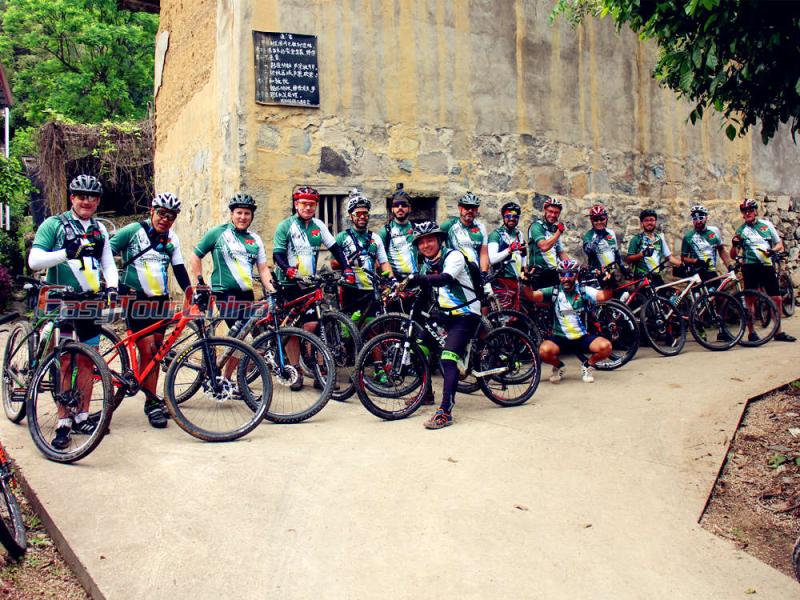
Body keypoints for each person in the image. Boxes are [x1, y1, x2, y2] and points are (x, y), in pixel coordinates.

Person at [28, 174, 119, 450]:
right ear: (72, 198)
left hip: (89, 303)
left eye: (91, 197)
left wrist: (112, 287)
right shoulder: (54, 225)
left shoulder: (99, 230)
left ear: (98, 201)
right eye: (81, 196)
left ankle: (81, 415)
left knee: (88, 363)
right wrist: (65, 253)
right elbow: (34, 261)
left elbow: (108, 263)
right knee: (66, 361)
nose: (86, 201)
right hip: (60, 301)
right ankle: (63, 421)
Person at [110, 193, 192, 428]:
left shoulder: (171, 239)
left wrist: (191, 294)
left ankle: (149, 395)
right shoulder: (133, 231)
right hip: (134, 297)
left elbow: (179, 269)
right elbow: (105, 252)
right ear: (152, 211)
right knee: (147, 347)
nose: (165, 219)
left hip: (160, 300)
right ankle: (151, 401)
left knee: (156, 352)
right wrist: (112, 283)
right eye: (161, 214)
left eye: (171, 216)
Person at [272, 186, 356, 388]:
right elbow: (278, 253)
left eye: (312, 204)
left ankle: (320, 370)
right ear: (296, 205)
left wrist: (347, 268)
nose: (308, 207)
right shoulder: (286, 226)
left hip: (309, 282)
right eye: (304, 204)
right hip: (288, 283)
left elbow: (335, 248)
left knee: (315, 325)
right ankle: (296, 371)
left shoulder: (318, 225)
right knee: (291, 329)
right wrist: (288, 269)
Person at [404, 222, 482, 430]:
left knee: (448, 358)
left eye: (430, 240)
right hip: (445, 314)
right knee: (418, 348)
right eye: (421, 242)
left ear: (439, 240)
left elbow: (443, 279)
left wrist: (416, 278)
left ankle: (445, 411)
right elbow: (424, 290)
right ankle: (426, 393)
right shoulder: (426, 264)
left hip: (466, 313)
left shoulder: (453, 256)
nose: (426, 245)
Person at [190, 193, 276, 330]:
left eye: (247, 213)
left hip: (246, 293)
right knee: (240, 333)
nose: (243, 217)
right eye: (239, 213)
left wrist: (272, 291)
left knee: (253, 334)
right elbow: (196, 256)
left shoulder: (255, 239)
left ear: (252, 216)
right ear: (232, 214)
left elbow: (263, 269)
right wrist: (200, 283)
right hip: (224, 293)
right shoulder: (218, 233)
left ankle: (234, 350)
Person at [527, 258, 613, 384]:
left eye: (570, 274)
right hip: (560, 337)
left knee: (606, 347)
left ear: (576, 275)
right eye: (562, 274)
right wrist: (526, 283)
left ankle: (587, 365)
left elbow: (604, 296)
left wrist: (608, 284)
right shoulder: (554, 291)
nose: (565, 278)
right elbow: (532, 296)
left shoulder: (583, 290)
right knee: (543, 351)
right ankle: (559, 366)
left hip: (582, 337)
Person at [731, 198, 795, 342]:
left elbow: (780, 244)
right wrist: (734, 245)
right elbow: (733, 255)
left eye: (750, 210)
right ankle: (751, 332)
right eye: (744, 211)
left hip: (766, 266)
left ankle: (778, 332)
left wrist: (772, 251)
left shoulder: (767, 225)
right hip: (749, 267)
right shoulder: (741, 230)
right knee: (750, 300)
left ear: (755, 211)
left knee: (777, 299)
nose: (747, 213)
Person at [333, 190, 392, 319]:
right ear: (350, 216)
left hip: (370, 288)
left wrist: (392, 280)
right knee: (350, 327)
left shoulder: (375, 238)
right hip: (350, 288)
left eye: (365, 213)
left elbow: (384, 262)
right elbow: (333, 264)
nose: (362, 216)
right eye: (358, 213)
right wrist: (348, 260)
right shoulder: (342, 237)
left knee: (371, 325)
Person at [440, 192, 491, 283]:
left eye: (473, 208)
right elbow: (437, 247)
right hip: (455, 273)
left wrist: (484, 273)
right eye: (467, 207)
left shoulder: (481, 227)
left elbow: (483, 253)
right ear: (460, 208)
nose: (470, 210)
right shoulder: (448, 225)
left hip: (475, 273)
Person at [626, 208, 681, 286]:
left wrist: (682, 264)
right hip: (642, 278)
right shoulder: (636, 239)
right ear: (642, 223)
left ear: (655, 222)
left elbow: (669, 257)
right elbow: (628, 259)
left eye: (652, 220)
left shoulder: (659, 239)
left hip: (656, 277)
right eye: (646, 220)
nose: (649, 222)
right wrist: (642, 254)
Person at [488, 201, 528, 306]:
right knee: (505, 316)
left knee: (516, 315)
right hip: (501, 280)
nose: (512, 218)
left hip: (516, 280)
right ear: (503, 217)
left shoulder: (519, 234)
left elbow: (523, 252)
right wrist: (509, 250)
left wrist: (524, 267)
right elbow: (492, 259)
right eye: (508, 216)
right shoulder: (496, 235)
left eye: (515, 216)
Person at [680, 204, 732, 280]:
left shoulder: (714, 231)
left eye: (701, 218)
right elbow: (683, 258)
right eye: (695, 219)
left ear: (706, 217)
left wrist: (729, 265)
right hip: (696, 274)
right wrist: (696, 261)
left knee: (717, 291)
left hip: (711, 272)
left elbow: (721, 250)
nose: (698, 221)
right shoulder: (688, 236)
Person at [377, 183, 418, 280]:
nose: (400, 208)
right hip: (394, 280)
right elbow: (378, 260)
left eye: (404, 205)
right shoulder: (385, 232)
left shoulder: (416, 229)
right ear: (392, 209)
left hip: (415, 279)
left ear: (409, 208)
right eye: (396, 205)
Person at [528, 196, 569, 289]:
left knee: (555, 301)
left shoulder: (553, 230)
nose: (553, 215)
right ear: (545, 210)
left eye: (556, 212)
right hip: (538, 274)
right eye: (550, 211)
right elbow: (544, 246)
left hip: (553, 273)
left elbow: (560, 252)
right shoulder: (536, 226)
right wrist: (559, 232)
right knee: (540, 302)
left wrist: (572, 266)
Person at [582, 204, 627, 287]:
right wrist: (599, 236)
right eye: (595, 220)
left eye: (602, 219)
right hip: (597, 275)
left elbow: (615, 252)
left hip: (611, 273)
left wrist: (623, 268)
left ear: (606, 219)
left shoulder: (611, 233)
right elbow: (588, 251)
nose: (599, 222)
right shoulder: (589, 235)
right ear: (592, 221)